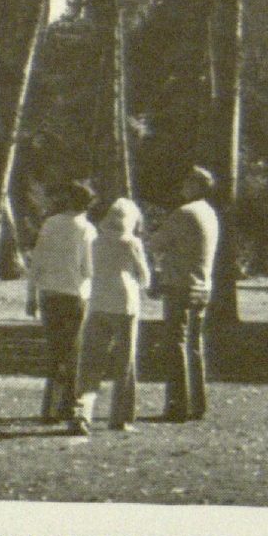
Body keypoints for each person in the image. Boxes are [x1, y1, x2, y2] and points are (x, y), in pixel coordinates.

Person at [71, 197, 151, 436]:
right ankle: (121, 417)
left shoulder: (95, 242)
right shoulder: (131, 243)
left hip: (98, 302)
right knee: (125, 362)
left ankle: (82, 411)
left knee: (91, 360)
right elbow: (145, 276)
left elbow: (85, 269)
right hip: (125, 305)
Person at [24, 180, 96, 425]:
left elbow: (37, 262)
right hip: (75, 294)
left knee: (55, 351)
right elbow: (89, 268)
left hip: (49, 293)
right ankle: (68, 405)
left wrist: (31, 295)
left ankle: (50, 408)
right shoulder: (86, 229)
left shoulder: (50, 224)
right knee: (73, 351)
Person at [151, 166, 219, 421]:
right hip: (203, 285)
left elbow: (157, 243)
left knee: (176, 343)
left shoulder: (184, 213)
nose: (182, 186)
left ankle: (177, 404)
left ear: (197, 185)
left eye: (187, 182)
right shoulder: (210, 213)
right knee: (194, 344)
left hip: (181, 284)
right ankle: (197, 404)